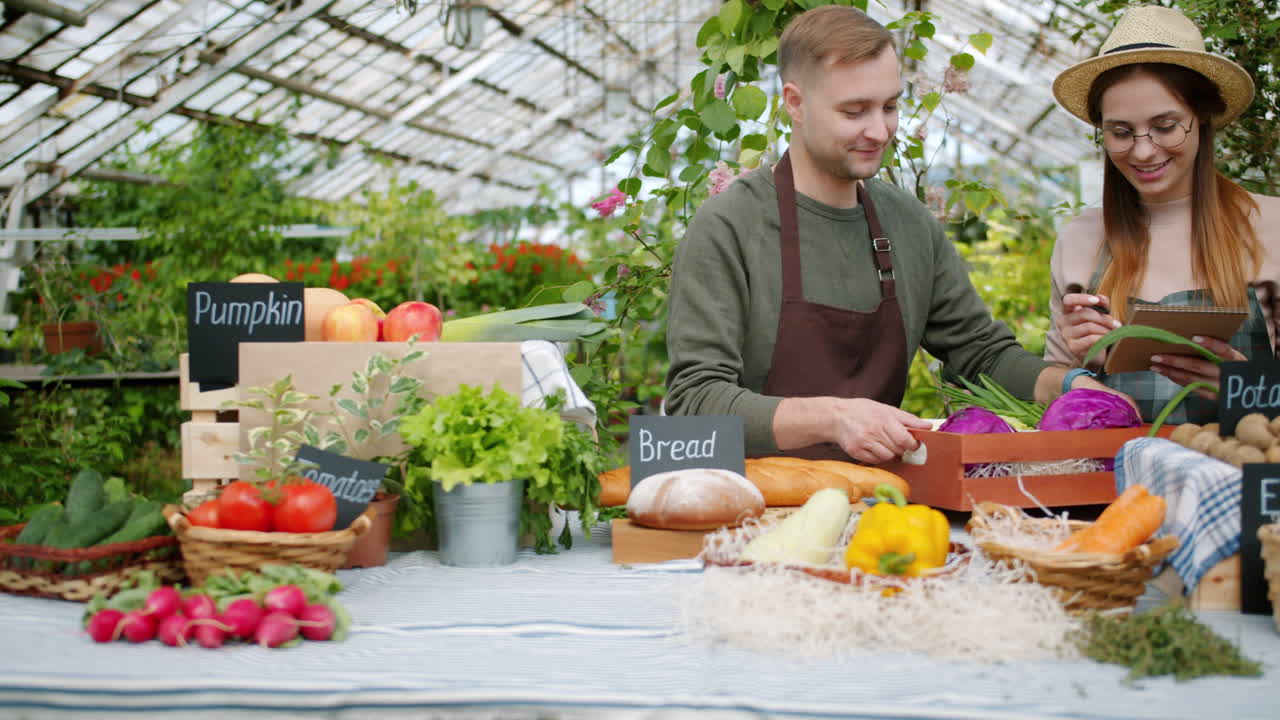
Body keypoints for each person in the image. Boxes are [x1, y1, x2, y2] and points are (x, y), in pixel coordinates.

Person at [663, 5, 1123, 465]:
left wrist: (1068, 383)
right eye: (854, 111)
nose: (879, 130)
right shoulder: (730, 227)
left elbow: (982, 354)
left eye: (890, 106)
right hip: (745, 507)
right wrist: (833, 418)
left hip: (877, 503)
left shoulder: (906, 222)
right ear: (795, 102)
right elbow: (694, 405)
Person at [1046, 4, 1280, 424]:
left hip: (1243, 480)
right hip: (1115, 487)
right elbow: (1052, 391)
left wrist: (1248, 390)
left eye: (1166, 126)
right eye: (1120, 132)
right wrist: (1078, 372)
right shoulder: (1082, 238)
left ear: (1202, 117)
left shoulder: (1271, 226)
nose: (1143, 150)